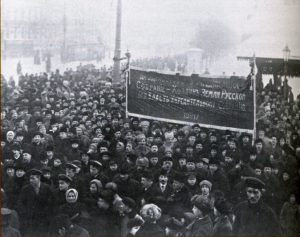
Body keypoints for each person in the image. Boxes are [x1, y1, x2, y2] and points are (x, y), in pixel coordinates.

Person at [17, 169, 54, 236]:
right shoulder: (25, 189)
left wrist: (47, 214)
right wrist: (25, 213)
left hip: (43, 220)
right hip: (30, 220)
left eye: (33, 178)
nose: (30, 180)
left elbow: (51, 203)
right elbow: (20, 203)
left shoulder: (47, 188)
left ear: (38, 178)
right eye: (30, 178)